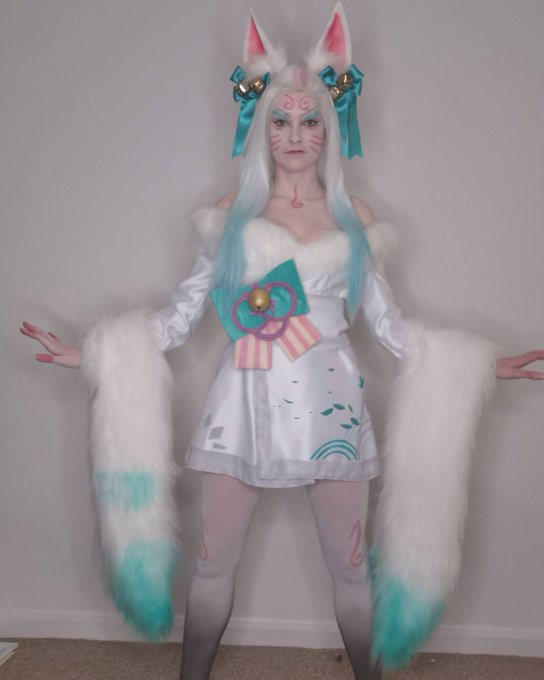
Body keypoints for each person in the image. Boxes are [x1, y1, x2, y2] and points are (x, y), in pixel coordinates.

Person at [20, 5, 544, 680]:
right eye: (281, 120)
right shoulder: (229, 218)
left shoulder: (355, 220)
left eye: (310, 120)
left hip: (331, 411)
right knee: (213, 561)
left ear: (329, 128)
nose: (295, 134)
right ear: (261, 127)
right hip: (242, 405)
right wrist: (92, 353)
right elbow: (180, 316)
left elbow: (390, 327)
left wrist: (482, 365)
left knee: (349, 566)